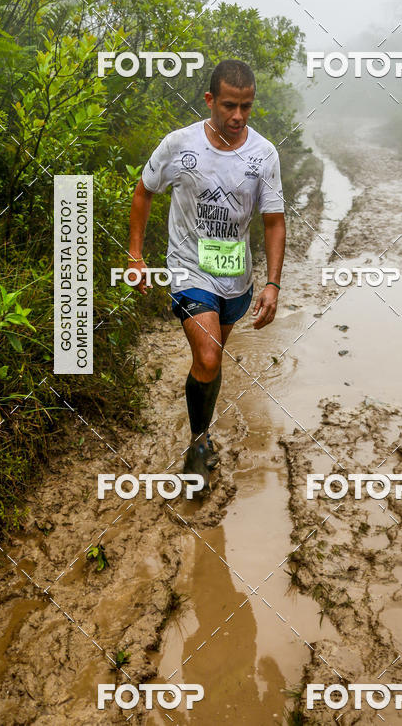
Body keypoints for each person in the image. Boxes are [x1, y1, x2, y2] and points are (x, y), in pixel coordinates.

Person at [128, 59, 286, 490]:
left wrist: (272, 283)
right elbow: (144, 192)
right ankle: (199, 443)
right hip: (189, 267)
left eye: (247, 107)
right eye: (230, 106)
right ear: (210, 100)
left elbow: (273, 220)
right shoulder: (180, 145)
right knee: (210, 355)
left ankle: (201, 428)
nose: (238, 116)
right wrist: (136, 257)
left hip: (236, 274)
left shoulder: (263, 153)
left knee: (208, 365)